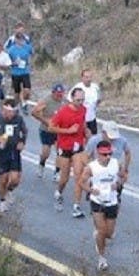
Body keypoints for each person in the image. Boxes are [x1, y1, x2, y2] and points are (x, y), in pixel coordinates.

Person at [79, 138, 127, 271]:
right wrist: (90, 190)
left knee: (109, 234)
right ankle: (101, 258)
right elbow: (81, 182)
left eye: (109, 154)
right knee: (102, 230)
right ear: (98, 154)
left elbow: (123, 177)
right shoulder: (91, 167)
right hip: (97, 201)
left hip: (112, 201)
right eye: (105, 154)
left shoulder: (116, 164)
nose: (108, 157)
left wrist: (117, 184)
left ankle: (100, 237)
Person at [48, 86, 87, 214]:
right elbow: (51, 127)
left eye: (82, 100)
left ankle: (76, 205)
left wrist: (90, 138)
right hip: (64, 147)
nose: (80, 103)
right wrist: (67, 131)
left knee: (78, 175)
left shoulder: (83, 110)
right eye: (78, 100)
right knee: (64, 178)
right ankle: (59, 191)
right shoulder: (63, 112)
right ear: (71, 98)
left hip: (78, 148)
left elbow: (83, 125)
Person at [0, 97, 27, 212]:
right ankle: (2, 201)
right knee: (3, 179)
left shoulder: (18, 119)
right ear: (4, 110)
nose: (12, 115)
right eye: (10, 112)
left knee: (15, 179)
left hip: (14, 151)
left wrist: (22, 142)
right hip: (1, 151)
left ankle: (9, 191)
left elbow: (24, 132)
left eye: (14, 112)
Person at [31, 83, 65, 179]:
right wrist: (46, 121)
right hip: (46, 130)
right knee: (46, 152)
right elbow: (34, 112)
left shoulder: (64, 102)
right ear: (53, 93)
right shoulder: (46, 101)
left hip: (58, 131)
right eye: (57, 94)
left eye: (61, 94)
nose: (59, 96)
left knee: (60, 151)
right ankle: (41, 165)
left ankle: (57, 172)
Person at [6, 32, 34, 109]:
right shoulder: (11, 50)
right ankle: (16, 108)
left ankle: (23, 102)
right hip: (15, 72)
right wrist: (14, 63)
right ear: (16, 40)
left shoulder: (27, 47)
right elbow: (7, 62)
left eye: (23, 39)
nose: (22, 41)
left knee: (27, 90)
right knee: (16, 93)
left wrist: (29, 62)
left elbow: (32, 54)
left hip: (25, 71)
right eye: (20, 40)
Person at [71, 68, 102, 136]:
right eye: (86, 77)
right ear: (82, 78)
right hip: (80, 119)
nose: (89, 79)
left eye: (90, 77)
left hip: (92, 119)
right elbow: (70, 102)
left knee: (93, 140)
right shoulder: (77, 87)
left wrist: (94, 107)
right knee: (81, 141)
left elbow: (99, 99)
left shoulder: (95, 87)